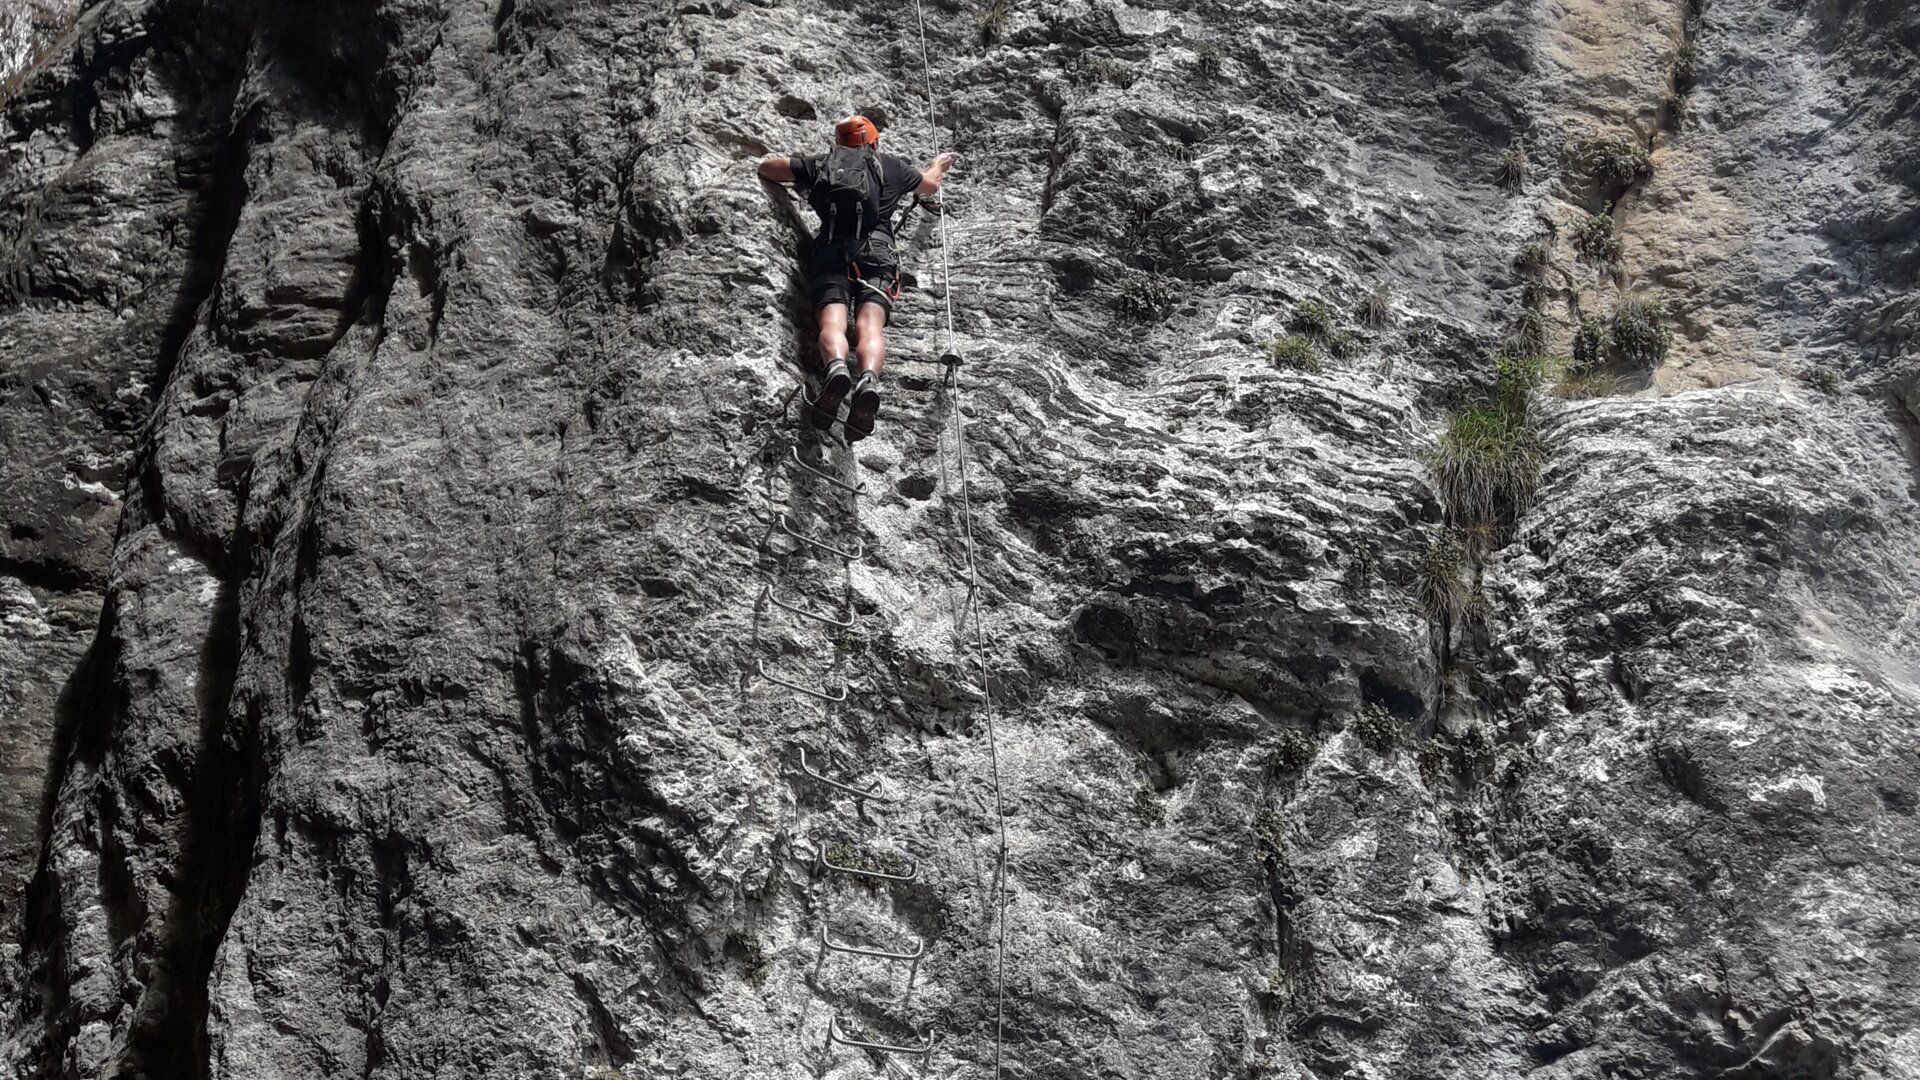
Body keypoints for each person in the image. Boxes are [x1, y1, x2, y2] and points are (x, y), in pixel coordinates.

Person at [758, 115, 955, 440]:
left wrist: (806, 177)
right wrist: (938, 164)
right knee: (869, 325)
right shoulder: (892, 166)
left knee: (833, 324)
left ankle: (836, 366)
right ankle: (867, 379)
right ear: (874, 142)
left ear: (839, 144)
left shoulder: (823, 164)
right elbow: (930, 184)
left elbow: (768, 168)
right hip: (877, 255)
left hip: (832, 252)